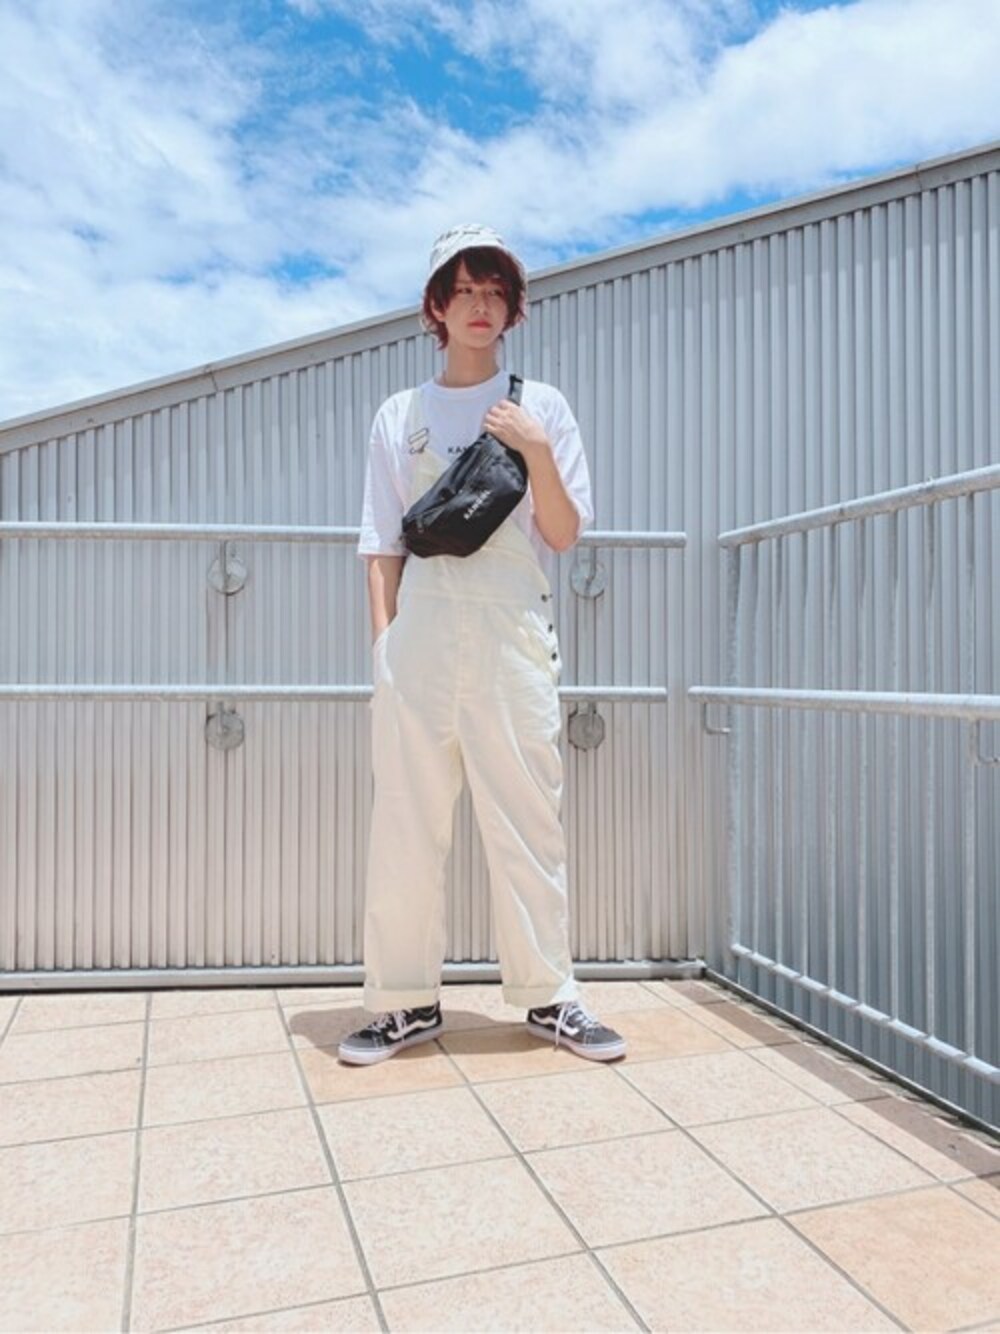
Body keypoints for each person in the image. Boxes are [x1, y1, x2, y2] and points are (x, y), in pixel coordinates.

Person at [338, 223, 626, 1065]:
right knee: (406, 820)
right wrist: (385, 654)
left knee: (528, 817)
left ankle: (550, 996)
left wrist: (535, 449)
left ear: (513, 308)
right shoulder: (401, 414)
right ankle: (403, 1002)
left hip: (510, 631)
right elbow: (380, 546)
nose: (480, 305)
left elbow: (563, 534)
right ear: (436, 305)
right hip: (422, 634)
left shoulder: (544, 407)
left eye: (495, 291)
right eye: (463, 290)